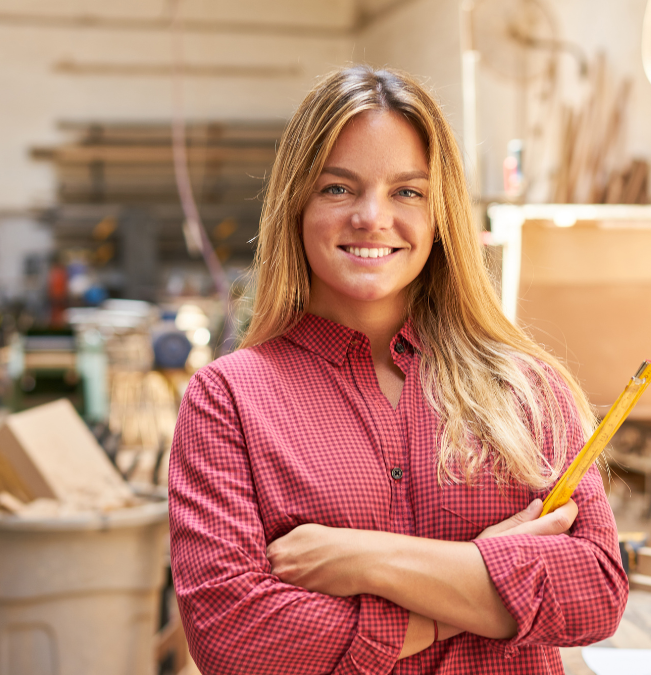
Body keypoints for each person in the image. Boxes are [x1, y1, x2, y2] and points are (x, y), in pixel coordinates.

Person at [168, 65, 626, 674]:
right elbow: (238, 639)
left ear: (441, 216)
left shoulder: (526, 389)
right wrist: (477, 583)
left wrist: (363, 560)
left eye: (407, 191)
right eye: (338, 188)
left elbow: (594, 593)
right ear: (295, 204)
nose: (372, 217)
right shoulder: (227, 399)